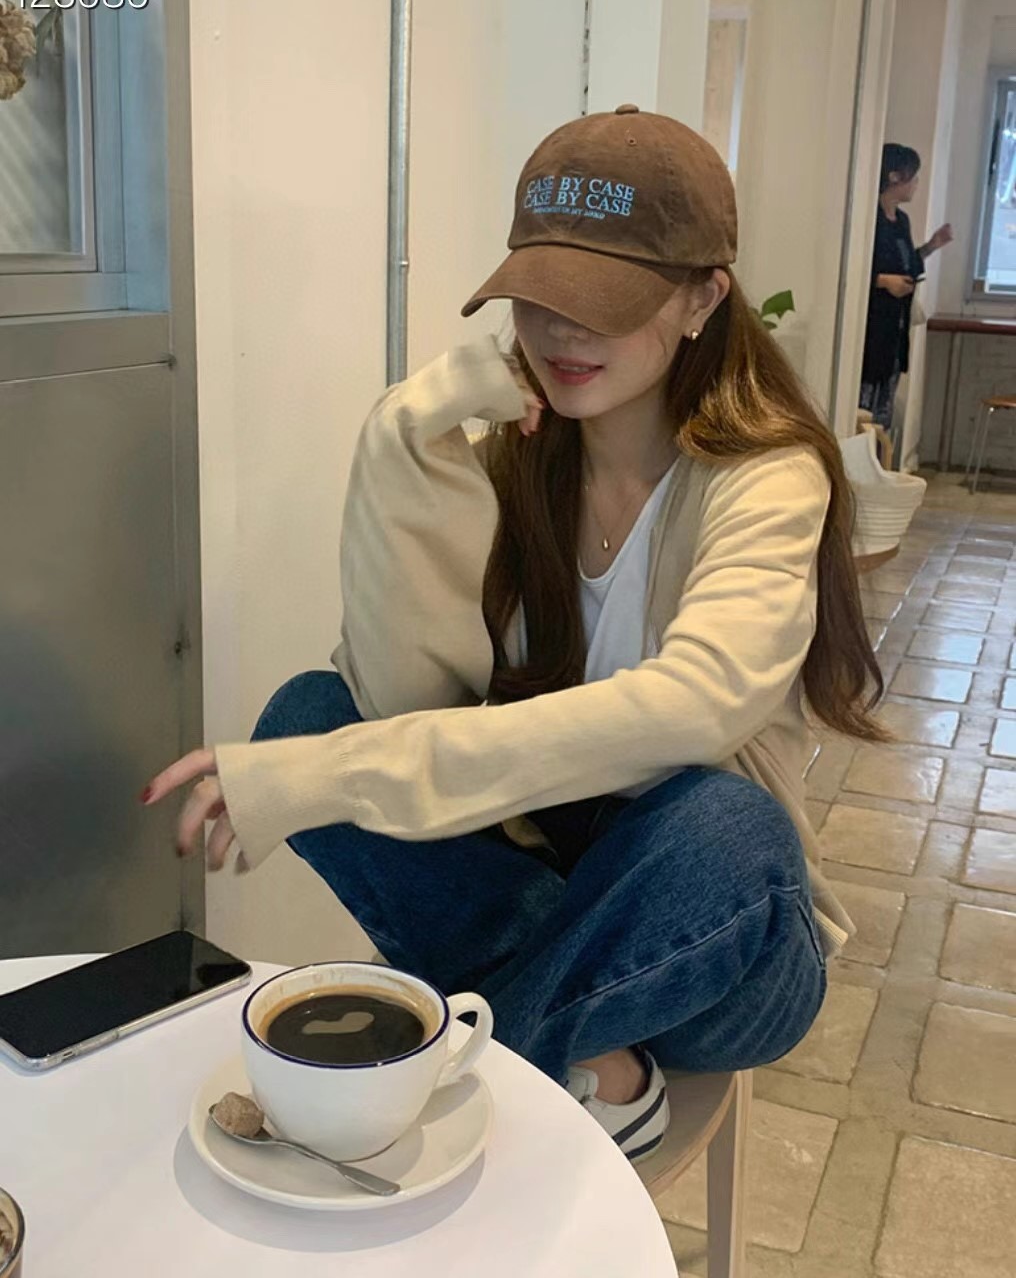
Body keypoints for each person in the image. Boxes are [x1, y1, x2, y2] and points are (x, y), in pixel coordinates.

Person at [144, 105, 887, 1165]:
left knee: (725, 826)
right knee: (308, 714)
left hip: (711, 936)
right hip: (550, 878)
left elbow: (694, 708)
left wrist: (340, 775)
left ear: (702, 297)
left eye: (604, 302)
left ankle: (438, 1075)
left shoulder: (765, 476)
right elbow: (405, 701)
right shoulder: (516, 458)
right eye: (538, 294)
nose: (560, 331)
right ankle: (592, 1069)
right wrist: (402, 442)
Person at [860, 142, 953, 431]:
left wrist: (931, 246)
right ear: (894, 176)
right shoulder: (869, 218)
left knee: (883, 412)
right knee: (862, 407)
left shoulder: (901, 221)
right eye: (912, 176)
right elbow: (854, 268)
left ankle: (879, 455)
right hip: (871, 327)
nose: (915, 184)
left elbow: (908, 265)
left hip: (895, 329)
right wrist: (882, 281)